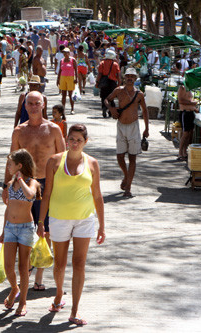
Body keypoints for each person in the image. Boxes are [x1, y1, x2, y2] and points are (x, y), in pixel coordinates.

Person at [37, 124, 105, 326]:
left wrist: (102, 225)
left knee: (79, 263)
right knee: (59, 264)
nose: (75, 143)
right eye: (72, 139)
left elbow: (98, 195)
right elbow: (46, 193)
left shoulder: (92, 163)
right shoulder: (55, 161)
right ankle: (59, 294)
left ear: (86, 142)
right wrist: (41, 221)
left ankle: (74, 311)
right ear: (67, 140)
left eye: (79, 140)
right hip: (59, 218)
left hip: (85, 219)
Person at [4, 91, 65, 292]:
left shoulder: (54, 129)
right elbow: (11, 161)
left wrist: (64, 186)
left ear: (43, 105)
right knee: (25, 227)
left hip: (48, 183)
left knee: (45, 229)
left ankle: (39, 275)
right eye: (29, 103)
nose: (33, 106)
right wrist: (6, 186)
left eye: (36, 103)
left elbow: (63, 160)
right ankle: (27, 270)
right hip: (26, 183)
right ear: (25, 106)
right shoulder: (19, 131)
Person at [0, 149, 41, 317]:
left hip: (26, 228)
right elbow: (8, 209)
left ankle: (22, 302)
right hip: (10, 228)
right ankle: (14, 288)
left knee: (23, 267)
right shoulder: (9, 184)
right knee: (8, 266)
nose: (7, 167)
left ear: (19, 165)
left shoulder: (32, 182)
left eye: (10, 164)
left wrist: (21, 180)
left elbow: (30, 195)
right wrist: (3, 231)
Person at [104, 68, 149, 197]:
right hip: (121, 126)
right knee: (120, 155)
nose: (130, 78)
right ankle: (126, 175)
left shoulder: (139, 94)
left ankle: (128, 187)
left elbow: (145, 111)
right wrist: (111, 109)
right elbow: (107, 100)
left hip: (134, 126)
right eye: (127, 76)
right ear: (124, 78)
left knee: (132, 157)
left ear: (135, 79)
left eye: (132, 76)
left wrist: (147, 128)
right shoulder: (118, 91)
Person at [177, 82, 198, 161]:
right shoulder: (182, 88)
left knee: (189, 133)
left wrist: (195, 108)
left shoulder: (190, 89)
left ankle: (184, 152)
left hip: (191, 112)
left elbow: (189, 99)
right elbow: (181, 101)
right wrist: (192, 103)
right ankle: (180, 153)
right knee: (185, 133)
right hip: (185, 113)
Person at [96, 50, 121, 118]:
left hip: (104, 82)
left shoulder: (102, 63)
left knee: (103, 97)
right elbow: (118, 75)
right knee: (111, 97)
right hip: (113, 83)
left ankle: (104, 108)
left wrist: (97, 82)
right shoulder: (115, 64)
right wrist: (119, 84)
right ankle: (111, 111)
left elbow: (100, 74)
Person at [57, 48, 78, 115]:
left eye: (66, 52)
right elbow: (60, 70)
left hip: (71, 78)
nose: (65, 54)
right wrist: (58, 79)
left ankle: (72, 109)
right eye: (64, 53)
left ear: (69, 53)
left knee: (70, 94)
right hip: (63, 78)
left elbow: (76, 69)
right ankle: (63, 109)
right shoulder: (62, 60)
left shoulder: (72, 60)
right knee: (63, 95)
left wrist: (76, 78)